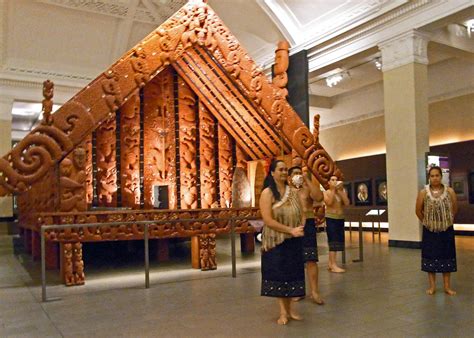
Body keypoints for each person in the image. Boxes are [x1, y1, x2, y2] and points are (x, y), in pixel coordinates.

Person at [260, 160, 305, 325]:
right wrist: (289, 230)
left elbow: (302, 212)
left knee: (292, 274)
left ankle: (291, 310)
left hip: (293, 239)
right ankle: (283, 312)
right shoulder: (267, 193)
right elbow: (268, 220)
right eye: (281, 170)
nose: (284, 172)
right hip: (275, 240)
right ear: (272, 173)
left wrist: (300, 226)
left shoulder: (293, 192)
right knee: (279, 275)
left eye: (286, 170)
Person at [416, 166, 458, 296]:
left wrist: (447, 220)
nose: (435, 178)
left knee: (447, 255)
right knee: (431, 256)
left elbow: (455, 208)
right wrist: (427, 222)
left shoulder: (449, 191)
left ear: (441, 176)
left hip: (446, 228)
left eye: (437, 175)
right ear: (429, 177)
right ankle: (432, 286)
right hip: (430, 230)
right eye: (432, 176)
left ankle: (447, 286)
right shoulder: (423, 192)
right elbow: (418, 210)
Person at [288, 166, 325, 305]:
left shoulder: (307, 189)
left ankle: (314, 291)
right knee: (295, 259)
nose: (298, 176)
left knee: (311, 259)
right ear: (290, 178)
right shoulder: (287, 191)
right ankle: (298, 291)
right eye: (295, 174)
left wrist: (308, 180)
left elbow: (319, 197)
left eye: (299, 173)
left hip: (308, 224)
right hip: (293, 226)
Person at [324, 175, 350, 273]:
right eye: (332, 180)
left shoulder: (341, 192)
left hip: (340, 218)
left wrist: (340, 191)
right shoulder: (326, 193)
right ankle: (333, 264)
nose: (335, 181)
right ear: (329, 182)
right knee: (333, 241)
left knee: (338, 241)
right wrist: (334, 190)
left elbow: (347, 202)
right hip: (331, 218)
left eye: (336, 180)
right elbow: (329, 202)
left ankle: (331, 263)